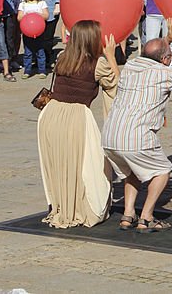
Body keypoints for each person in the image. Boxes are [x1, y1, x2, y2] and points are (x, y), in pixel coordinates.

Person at [102, 34, 172, 233]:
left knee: (132, 171)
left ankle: (128, 214)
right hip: (136, 135)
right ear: (166, 60)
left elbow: (154, 51)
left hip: (110, 135)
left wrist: (167, 38)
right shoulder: (163, 73)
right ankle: (146, 217)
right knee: (162, 171)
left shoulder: (131, 65)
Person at [37, 21, 119, 228]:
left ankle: (62, 206)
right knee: (88, 167)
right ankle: (82, 209)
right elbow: (118, 86)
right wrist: (111, 56)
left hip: (51, 114)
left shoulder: (62, 58)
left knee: (61, 163)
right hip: (76, 117)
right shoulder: (97, 64)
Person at [17, 0, 49, 78]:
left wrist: (37, 15)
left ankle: (42, 71)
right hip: (27, 33)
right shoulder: (23, 4)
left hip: (39, 32)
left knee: (40, 52)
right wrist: (27, 16)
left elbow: (46, 15)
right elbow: (19, 17)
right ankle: (27, 71)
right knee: (27, 52)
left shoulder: (41, 3)